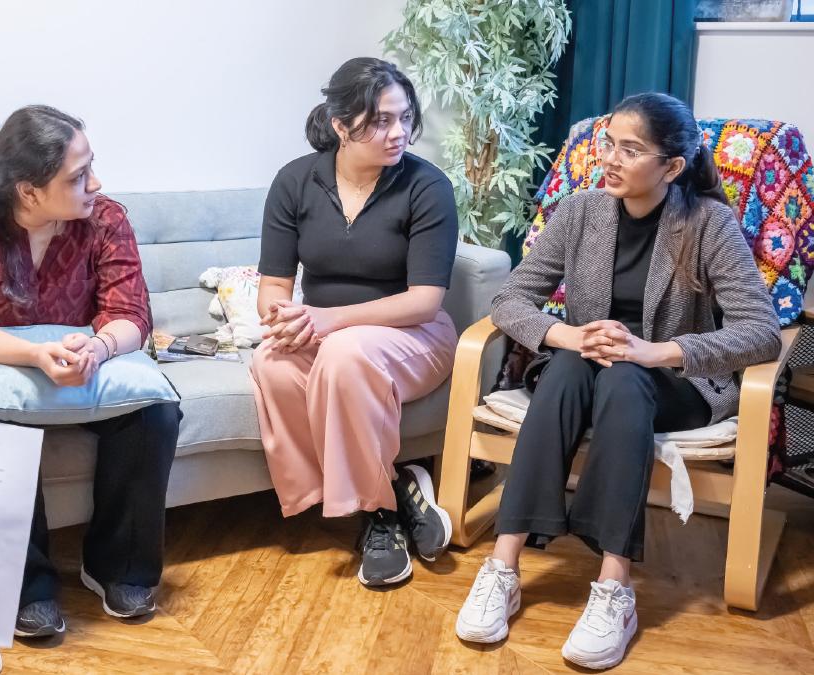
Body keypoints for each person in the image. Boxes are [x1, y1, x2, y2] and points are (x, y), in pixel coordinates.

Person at [453, 92, 781, 670]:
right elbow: (511, 299)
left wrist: (656, 351)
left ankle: (613, 587)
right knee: (569, 373)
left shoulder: (708, 224)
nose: (609, 157)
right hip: (581, 367)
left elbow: (760, 332)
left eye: (630, 149)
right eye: (609, 142)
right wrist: (568, 337)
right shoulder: (580, 211)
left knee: (626, 378)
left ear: (672, 167)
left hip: (672, 382)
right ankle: (503, 567)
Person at [0, 105, 181, 638]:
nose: (96, 183)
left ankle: (119, 568)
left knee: (155, 409)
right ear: (28, 191)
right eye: (78, 175)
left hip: (81, 358)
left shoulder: (106, 218)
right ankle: (27, 585)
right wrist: (34, 356)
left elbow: (131, 314)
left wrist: (99, 349)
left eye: (92, 167)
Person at [249, 57, 459, 587]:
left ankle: (380, 517)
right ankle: (392, 489)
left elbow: (424, 301)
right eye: (380, 122)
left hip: (413, 336)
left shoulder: (426, 186)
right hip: (331, 336)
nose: (399, 133)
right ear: (341, 126)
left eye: (404, 118)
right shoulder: (296, 181)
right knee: (271, 361)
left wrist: (328, 320)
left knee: (345, 355)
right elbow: (274, 286)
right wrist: (286, 319)